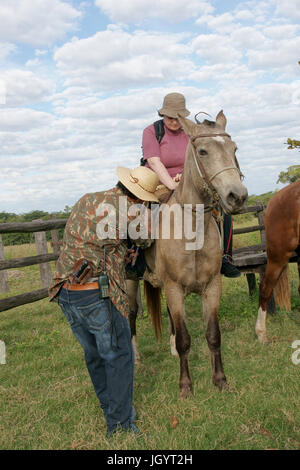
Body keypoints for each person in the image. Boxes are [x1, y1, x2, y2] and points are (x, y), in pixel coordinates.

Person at [48, 166, 159, 437]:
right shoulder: (133, 211)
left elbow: (88, 239)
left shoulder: (87, 198)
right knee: (119, 355)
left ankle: (111, 407)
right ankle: (120, 427)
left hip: (65, 290)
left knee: (95, 355)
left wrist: (120, 247)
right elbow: (144, 240)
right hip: (96, 293)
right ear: (141, 196)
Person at [142, 92, 241, 278]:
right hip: (160, 181)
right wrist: (171, 184)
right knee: (141, 210)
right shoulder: (152, 132)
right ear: (163, 115)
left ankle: (225, 256)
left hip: (189, 181)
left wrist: (188, 178)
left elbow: (201, 160)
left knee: (222, 209)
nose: (174, 122)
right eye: (170, 117)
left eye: (177, 117)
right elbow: (154, 162)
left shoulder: (192, 131)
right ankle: (138, 260)